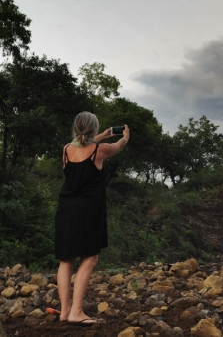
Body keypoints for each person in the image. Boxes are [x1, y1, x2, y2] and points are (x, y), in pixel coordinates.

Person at [52, 111, 129, 325]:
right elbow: (118, 147)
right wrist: (125, 137)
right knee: (90, 258)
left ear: (76, 128)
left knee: (66, 259)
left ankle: (65, 311)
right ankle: (77, 311)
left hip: (65, 209)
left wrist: (101, 135)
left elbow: (82, 145)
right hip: (88, 211)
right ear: (93, 129)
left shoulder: (66, 150)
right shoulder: (100, 150)